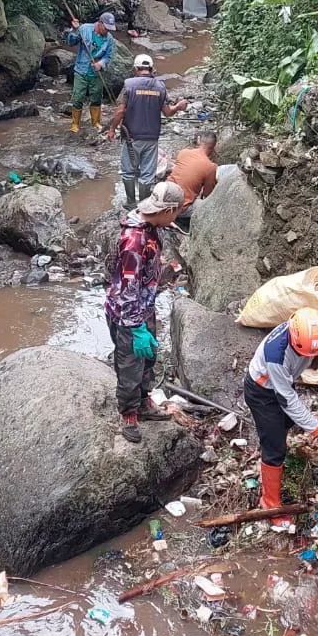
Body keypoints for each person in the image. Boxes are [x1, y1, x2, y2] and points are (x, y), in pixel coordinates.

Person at [243, 308, 318, 528]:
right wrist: (316, 428)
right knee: (274, 446)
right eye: (304, 354)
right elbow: (287, 399)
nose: (309, 358)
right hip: (261, 390)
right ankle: (269, 504)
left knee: (286, 423)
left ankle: (277, 452)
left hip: (284, 383)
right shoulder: (275, 355)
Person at [105, 181, 184, 444]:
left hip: (145, 305)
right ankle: (128, 413)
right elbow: (127, 286)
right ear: (169, 209)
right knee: (129, 365)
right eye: (176, 212)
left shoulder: (151, 225)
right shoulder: (134, 240)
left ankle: (144, 402)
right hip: (127, 314)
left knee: (149, 356)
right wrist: (135, 326)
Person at [104, 53, 188, 206]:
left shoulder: (129, 85)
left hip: (131, 137)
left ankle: (130, 202)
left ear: (136, 69)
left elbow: (120, 111)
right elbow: (168, 113)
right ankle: (144, 205)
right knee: (147, 174)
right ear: (151, 69)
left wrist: (112, 129)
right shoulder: (160, 87)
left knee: (128, 171)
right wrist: (178, 106)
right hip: (151, 138)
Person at [65, 11, 117, 135]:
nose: (107, 31)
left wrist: (101, 64)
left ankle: (96, 123)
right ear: (100, 22)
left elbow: (109, 56)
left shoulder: (109, 39)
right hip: (81, 70)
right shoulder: (84, 29)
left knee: (96, 98)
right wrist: (74, 30)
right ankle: (75, 124)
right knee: (77, 98)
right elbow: (70, 42)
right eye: (106, 27)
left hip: (96, 72)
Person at [165, 131, 219, 220]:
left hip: (163, 198)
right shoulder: (211, 167)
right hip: (181, 209)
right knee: (209, 207)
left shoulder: (183, 152)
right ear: (213, 148)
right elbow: (208, 194)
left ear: (199, 142)